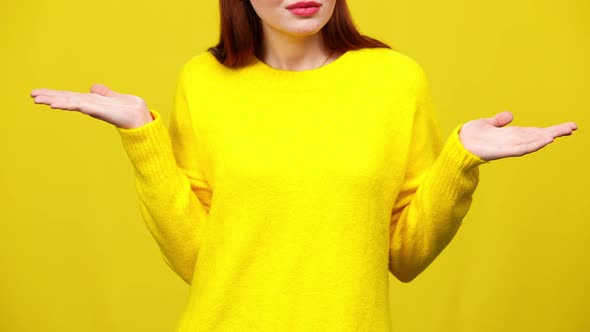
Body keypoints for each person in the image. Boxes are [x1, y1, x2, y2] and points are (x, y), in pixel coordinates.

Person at [30, 0, 577, 331]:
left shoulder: (395, 80)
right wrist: (141, 136)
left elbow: (406, 256)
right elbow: (200, 258)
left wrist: (461, 160)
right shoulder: (203, 80)